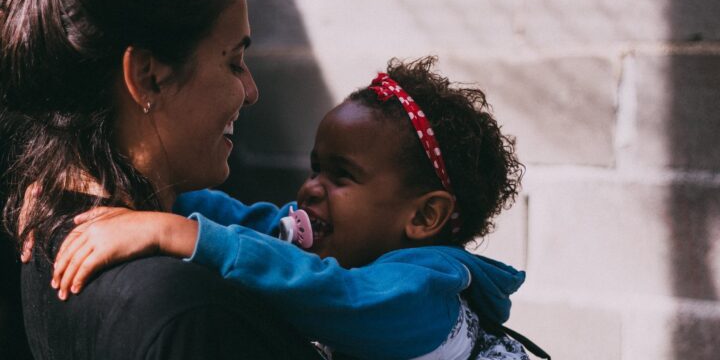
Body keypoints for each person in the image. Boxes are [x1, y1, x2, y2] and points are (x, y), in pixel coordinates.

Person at [0, 0, 321, 358]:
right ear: (147, 77)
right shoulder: (190, 314)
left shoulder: (49, 230)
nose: (251, 92)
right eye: (233, 62)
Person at [51, 57, 548, 360]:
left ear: (422, 218)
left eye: (341, 176)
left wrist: (175, 234)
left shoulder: (423, 296)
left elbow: (332, 292)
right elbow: (254, 224)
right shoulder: (345, 241)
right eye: (315, 169)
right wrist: (129, 190)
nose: (311, 189)